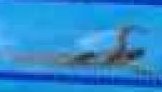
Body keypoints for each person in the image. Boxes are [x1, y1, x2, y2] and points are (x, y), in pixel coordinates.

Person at [12, 26, 150, 69]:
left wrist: (133, 29)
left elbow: (121, 32)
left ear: (132, 52)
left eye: (133, 49)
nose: (131, 48)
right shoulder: (124, 59)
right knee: (42, 58)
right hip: (82, 59)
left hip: (80, 60)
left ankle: (16, 57)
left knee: (43, 59)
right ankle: (17, 57)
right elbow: (139, 69)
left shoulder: (121, 54)